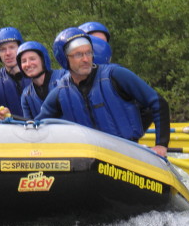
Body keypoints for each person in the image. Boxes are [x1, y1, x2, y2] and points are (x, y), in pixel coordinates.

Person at [36, 27, 170, 157]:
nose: (86, 59)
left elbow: (158, 102)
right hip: (90, 159)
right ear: (64, 59)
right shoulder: (60, 92)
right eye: (78, 55)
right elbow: (39, 126)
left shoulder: (116, 75)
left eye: (88, 53)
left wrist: (161, 144)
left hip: (127, 155)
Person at [17, 41, 67, 119]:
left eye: (32, 59)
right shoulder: (26, 95)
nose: (28, 64)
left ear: (43, 60)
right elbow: (28, 124)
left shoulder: (64, 76)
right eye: (24, 61)